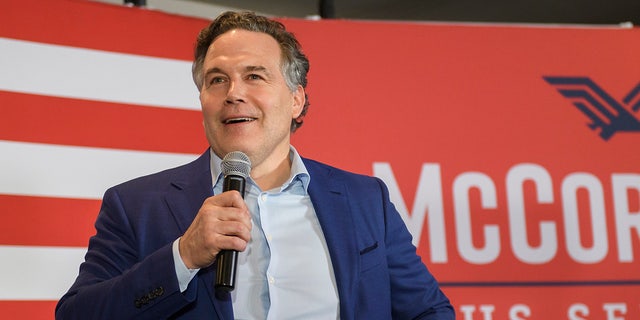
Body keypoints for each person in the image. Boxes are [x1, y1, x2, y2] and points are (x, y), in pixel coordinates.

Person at [55, 11, 455, 320]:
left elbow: (428, 311)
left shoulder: (366, 200)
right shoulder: (136, 205)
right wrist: (183, 257)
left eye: (254, 76)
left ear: (296, 100)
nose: (234, 94)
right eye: (216, 80)